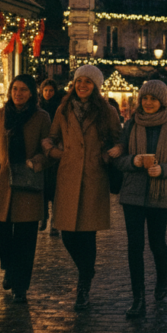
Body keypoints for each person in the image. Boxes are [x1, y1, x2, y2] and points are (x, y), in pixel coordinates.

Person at [41, 65, 120, 311]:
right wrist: (55, 152)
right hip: (68, 176)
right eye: (79, 81)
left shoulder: (107, 111)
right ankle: (86, 269)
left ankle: (83, 285)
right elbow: (51, 137)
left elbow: (119, 140)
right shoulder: (63, 109)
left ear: (96, 86)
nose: (82, 85)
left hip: (94, 177)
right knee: (67, 234)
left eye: (87, 81)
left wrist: (110, 154)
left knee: (87, 234)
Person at [114, 80, 167, 318]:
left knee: (157, 243)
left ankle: (162, 280)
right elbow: (119, 159)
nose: (148, 103)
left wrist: (164, 170)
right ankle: (138, 298)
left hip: (160, 194)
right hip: (132, 194)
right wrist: (133, 161)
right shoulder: (131, 124)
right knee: (134, 247)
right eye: (145, 98)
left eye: (153, 99)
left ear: (162, 101)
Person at [0, 74, 52, 303]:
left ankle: (20, 286)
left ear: (32, 93)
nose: (18, 93)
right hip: (1, 183)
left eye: (24, 89)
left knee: (26, 240)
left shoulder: (41, 117)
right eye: (15, 89)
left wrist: (35, 163)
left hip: (28, 184)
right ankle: (9, 266)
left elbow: (48, 151)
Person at [39, 79, 63, 235]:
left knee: (55, 188)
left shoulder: (59, 108)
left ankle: (55, 221)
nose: (48, 93)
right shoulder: (38, 107)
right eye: (46, 90)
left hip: (56, 152)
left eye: (51, 90)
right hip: (41, 152)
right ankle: (43, 215)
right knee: (42, 187)